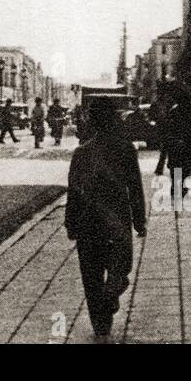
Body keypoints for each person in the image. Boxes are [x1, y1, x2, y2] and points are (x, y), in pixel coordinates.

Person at [65, 99, 147, 342]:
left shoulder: (81, 153)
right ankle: (110, 297)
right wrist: (139, 220)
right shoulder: (125, 149)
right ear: (114, 119)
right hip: (117, 221)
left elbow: (73, 191)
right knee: (120, 267)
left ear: (91, 121)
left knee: (91, 275)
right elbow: (135, 187)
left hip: (87, 222)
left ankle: (100, 325)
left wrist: (70, 222)